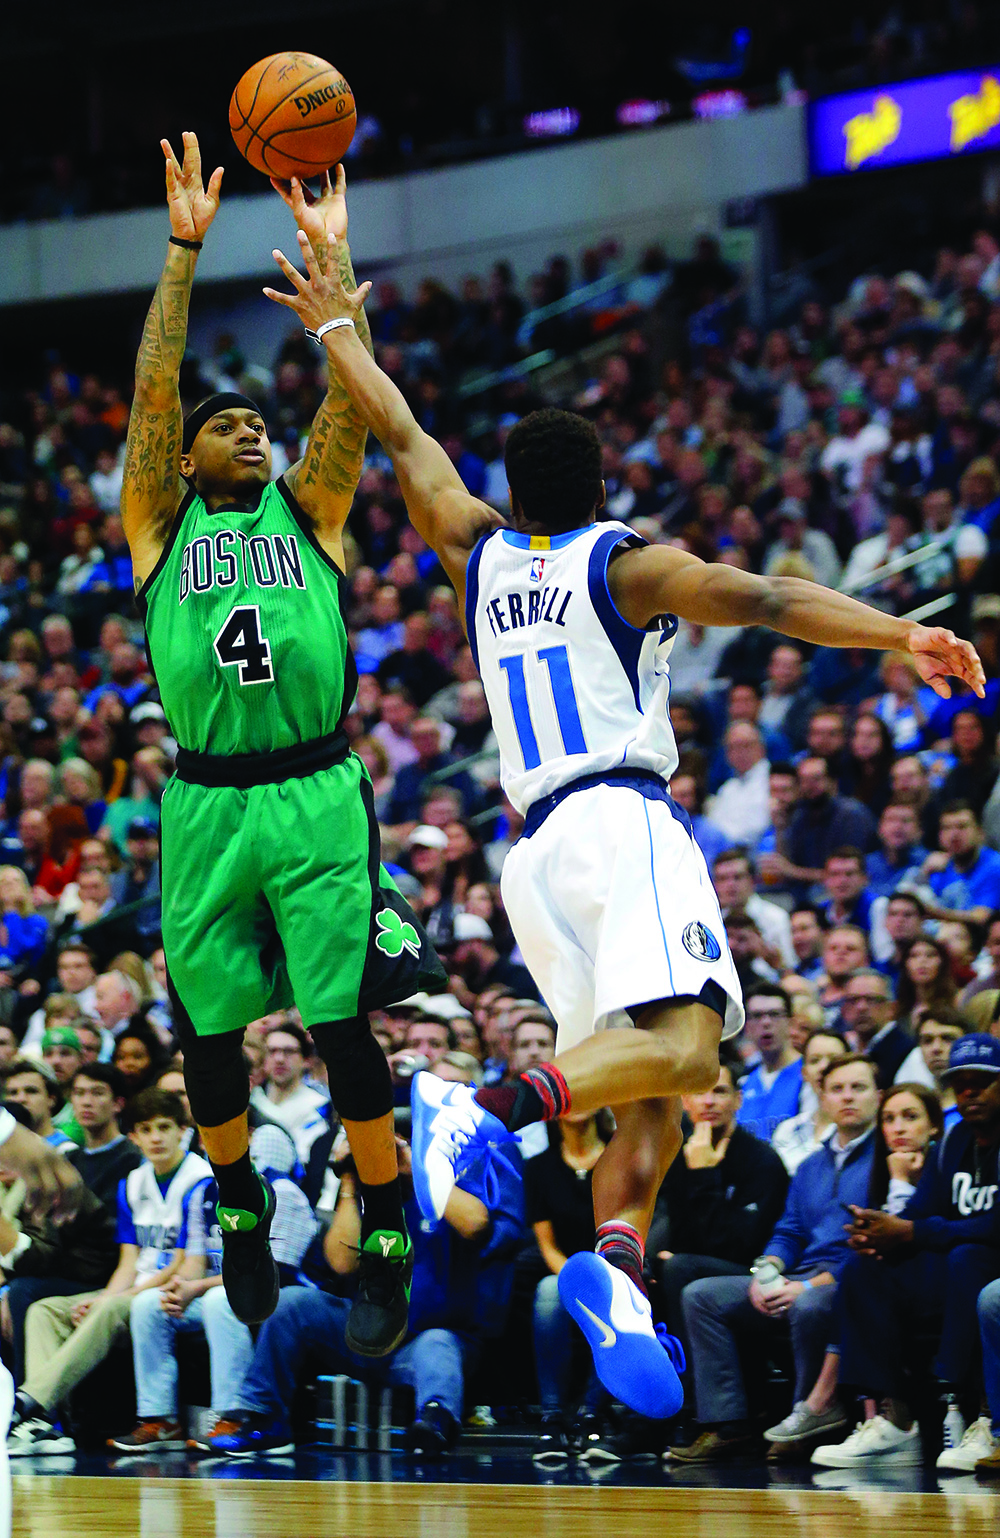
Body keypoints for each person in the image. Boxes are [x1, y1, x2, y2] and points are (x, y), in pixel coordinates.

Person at [269, 214, 984, 1420]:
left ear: (515, 488)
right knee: (694, 1050)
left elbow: (399, 427)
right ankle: (479, 1112)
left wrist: (337, 314)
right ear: (602, 486)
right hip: (617, 817)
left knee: (642, 1091)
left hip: (533, 855)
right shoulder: (622, 563)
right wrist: (898, 631)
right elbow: (759, 595)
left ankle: (610, 1261)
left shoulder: (475, 550)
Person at [118, 136, 443, 1347]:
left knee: (340, 1020)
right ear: (186, 459)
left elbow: (354, 409)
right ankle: (242, 1200)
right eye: (229, 425)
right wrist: (183, 249)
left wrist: (335, 270)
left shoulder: (311, 510)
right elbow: (156, 390)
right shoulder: (156, 521)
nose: (250, 431)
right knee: (208, 1031)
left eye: (259, 421)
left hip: (312, 791)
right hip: (204, 801)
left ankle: (390, 1228)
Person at [206, 1126, 523, 1458]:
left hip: (425, 1342)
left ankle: (434, 1425)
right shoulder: (376, 1195)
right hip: (369, 1333)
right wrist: (350, 1181)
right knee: (292, 1304)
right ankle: (265, 1419)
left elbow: (476, 1223)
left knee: (438, 1344)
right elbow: (341, 1263)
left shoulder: (445, 1187)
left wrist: (414, 1165)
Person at [669, 1054, 878, 1462]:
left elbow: (874, 1248)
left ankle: (807, 1418)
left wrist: (805, 1284)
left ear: (879, 1095)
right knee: (701, 1294)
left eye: (859, 1088)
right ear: (821, 1097)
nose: (847, 1097)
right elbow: (790, 1230)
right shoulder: (812, 1165)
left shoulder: (885, 1161)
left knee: (809, 1303)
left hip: (847, 1280)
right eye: (837, 1089)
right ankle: (728, 1423)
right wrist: (767, 1269)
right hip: (799, 1273)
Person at [811, 1034, 1000, 1470]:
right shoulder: (954, 1143)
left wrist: (913, 1230)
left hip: (986, 1264)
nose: (970, 1092)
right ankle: (893, 1420)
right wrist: (878, 1233)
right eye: (961, 1083)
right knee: (863, 1268)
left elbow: (991, 1226)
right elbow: (920, 1213)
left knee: (967, 1256)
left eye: (982, 1082)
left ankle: (986, 1419)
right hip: (957, 1267)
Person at [8, 1088, 210, 1454]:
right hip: (136, 1290)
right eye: (146, 1129)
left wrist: (114, 1300)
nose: (156, 1137)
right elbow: (128, 1261)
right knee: (45, 1311)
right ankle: (41, 1426)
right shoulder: (133, 1182)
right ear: (133, 1137)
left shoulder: (198, 1178)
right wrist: (106, 1296)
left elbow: (183, 1263)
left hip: (176, 1291)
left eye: (164, 1127)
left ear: (184, 1131)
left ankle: (25, 1402)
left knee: (107, 1307)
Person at [764, 1080, 943, 1454]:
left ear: (934, 1126)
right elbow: (791, 1228)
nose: (898, 1127)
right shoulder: (834, 1164)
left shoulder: (941, 1164)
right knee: (863, 1273)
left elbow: (913, 1232)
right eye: (890, 1118)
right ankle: (870, 1417)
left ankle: (824, 1405)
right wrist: (766, 1267)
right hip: (879, 1277)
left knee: (848, 1282)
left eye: (911, 1117)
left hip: (938, 1279)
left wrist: (899, 1182)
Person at [650, 1053, 789, 1349]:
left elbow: (738, 1247)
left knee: (678, 1269)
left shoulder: (762, 1161)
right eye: (700, 1092)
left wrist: (704, 1175)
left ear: (738, 1100)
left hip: (749, 1273)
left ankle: (690, 1383)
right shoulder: (676, 1154)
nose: (709, 1102)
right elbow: (680, 1231)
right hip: (690, 1264)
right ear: (685, 1101)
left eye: (720, 1091)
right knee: (643, 1268)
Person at [0, 1094, 86, 1538]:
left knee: (24, 1295)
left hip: (57, 1279)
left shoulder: (36, 1183)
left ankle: (33, 1416)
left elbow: (46, 1258)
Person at [525, 1111, 612, 1463]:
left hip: (614, 1266)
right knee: (547, 1294)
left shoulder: (619, 1156)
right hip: (563, 1271)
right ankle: (553, 1418)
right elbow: (547, 1245)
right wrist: (576, 1279)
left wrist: (601, 1277)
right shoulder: (539, 1167)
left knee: (615, 1299)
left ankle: (594, 1413)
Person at [771, 1030, 849, 1174]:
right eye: (815, 1060)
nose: (823, 1067)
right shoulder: (786, 1130)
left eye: (833, 1059)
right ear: (805, 1073)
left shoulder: (854, 1129)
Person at [735, 985, 804, 1140]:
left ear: (791, 1023)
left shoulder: (808, 1075)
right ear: (747, 1026)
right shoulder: (743, 1082)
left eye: (774, 1014)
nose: (766, 1023)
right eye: (757, 1016)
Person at [711, 849, 794, 969]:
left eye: (737, 877)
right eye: (723, 879)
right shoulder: (712, 920)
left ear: (753, 880)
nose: (730, 884)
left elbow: (789, 965)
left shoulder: (776, 918)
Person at [839, 968, 915, 1087]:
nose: (861, 1007)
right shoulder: (842, 1048)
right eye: (853, 1000)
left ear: (891, 1009)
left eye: (871, 1000)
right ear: (844, 1010)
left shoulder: (907, 1051)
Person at [894, 1008, 968, 1127]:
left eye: (947, 1039)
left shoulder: (978, 1107)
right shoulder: (916, 1109)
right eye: (927, 1041)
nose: (936, 1048)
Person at [1, 1061, 76, 1154]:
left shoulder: (66, 1151)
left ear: (51, 1099)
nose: (20, 1099)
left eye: (31, 1091)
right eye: (13, 1093)